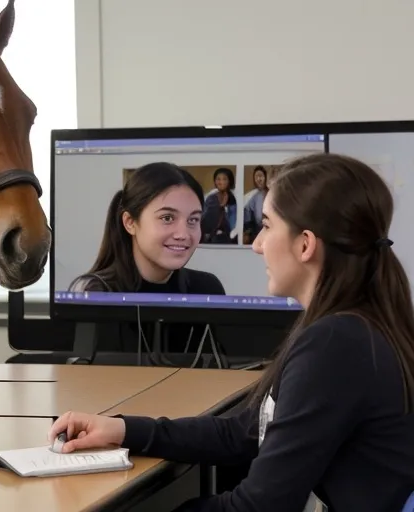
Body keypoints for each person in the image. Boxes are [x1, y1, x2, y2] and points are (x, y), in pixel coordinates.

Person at [49, 153, 414, 511]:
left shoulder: (336, 343)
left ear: (305, 244)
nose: (256, 244)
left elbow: (260, 505)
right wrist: (124, 430)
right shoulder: (353, 325)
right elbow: (246, 431)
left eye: (267, 226)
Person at [69, 161, 225, 295]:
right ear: (130, 222)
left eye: (193, 219)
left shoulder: (207, 289)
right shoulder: (93, 291)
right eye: (167, 218)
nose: (183, 234)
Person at [201, 167, 238, 244]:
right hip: (211, 239)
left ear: (229, 181)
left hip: (230, 239)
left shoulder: (235, 199)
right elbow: (205, 220)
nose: (221, 182)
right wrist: (220, 207)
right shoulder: (211, 198)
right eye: (218, 179)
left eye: (224, 179)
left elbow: (234, 224)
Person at [243, 165, 268, 244]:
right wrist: (247, 232)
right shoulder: (253, 196)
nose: (259, 179)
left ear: (266, 177)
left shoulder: (273, 193)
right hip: (258, 230)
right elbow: (247, 215)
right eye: (256, 177)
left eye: (261, 176)